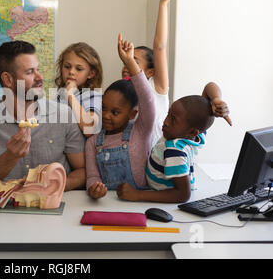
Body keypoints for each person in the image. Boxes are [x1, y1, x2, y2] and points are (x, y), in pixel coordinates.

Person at [0, 40, 86, 192]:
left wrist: (46, 189)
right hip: (1, 213)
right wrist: (10, 156)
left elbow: (83, 171)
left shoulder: (64, 114)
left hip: (53, 209)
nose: (39, 77)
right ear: (8, 79)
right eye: (30, 72)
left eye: (38, 69)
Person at [117, 82, 232, 203]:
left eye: (173, 120)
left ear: (192, 132)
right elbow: (209, 87)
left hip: (165, 194)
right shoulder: (195, 134)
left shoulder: (174, 151)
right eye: (168, 114)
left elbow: (182, 194)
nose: (166, 122)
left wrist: (138, 195)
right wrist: (216, 99)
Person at [86, 37, 155, 199]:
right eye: (103, 108)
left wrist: (129, 61)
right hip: (108, 204)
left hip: (140, 203)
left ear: (132, 114)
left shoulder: (141, 130)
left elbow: (147, 98)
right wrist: (93, 189)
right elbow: (92, 177)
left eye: (115, 112)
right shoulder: (93, 142)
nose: (106, 116)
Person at [121, 0, 184, 148]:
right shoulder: (122, 91)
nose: (127, 65)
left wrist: (163, 4)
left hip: (158, 161)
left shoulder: (156, 87)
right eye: (126, 60)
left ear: (151, 71)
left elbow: (160, 46)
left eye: (134, 61)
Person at [54, 42, 103, 136]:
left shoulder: (92, 96)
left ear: (91, 74)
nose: (71, 72)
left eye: (79, 69)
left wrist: (70, 96)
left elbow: (90, 129)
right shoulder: (60, 95)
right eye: (67, 67)